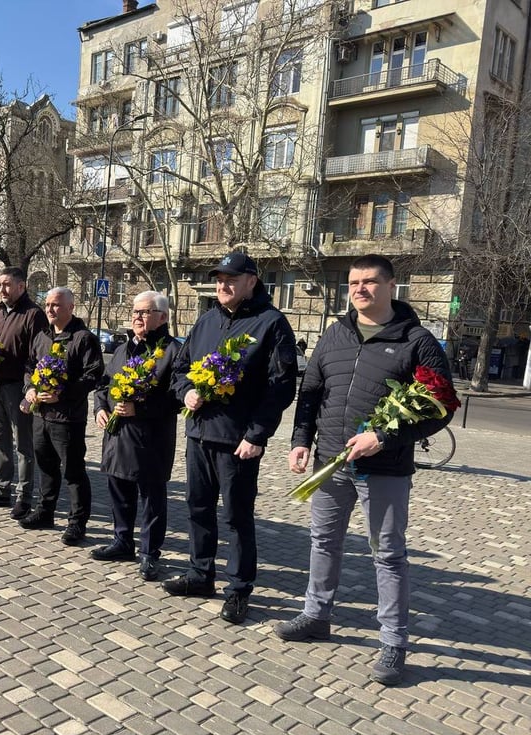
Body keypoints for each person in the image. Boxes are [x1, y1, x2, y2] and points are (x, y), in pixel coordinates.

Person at [277, 255, 454, 686]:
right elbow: (311, 392)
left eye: (370, 281)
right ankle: (316, 617)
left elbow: (443, 405)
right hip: (330, 464)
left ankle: (393, 643)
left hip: (386, 469)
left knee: (388, 555)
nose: (360, 289)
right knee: (324, 542)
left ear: (392, 285)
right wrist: (301, 440)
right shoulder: (335, 334)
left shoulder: (418, 341)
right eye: (354, 282)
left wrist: (385, 438)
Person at [165, 251, 298, 625]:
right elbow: (181, 369)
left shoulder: (271, 323)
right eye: (220, 279)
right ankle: (200, 574)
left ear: (251, 281)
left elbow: (280, 387)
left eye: (232, 279)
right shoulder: (207, 320)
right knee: (197, 508)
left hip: (238, 442)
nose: (223, 285)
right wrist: (186, 391)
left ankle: (239, 589)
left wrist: (257, 434)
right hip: (199, 434)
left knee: (237, 518)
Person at [92, 291, 181, 581]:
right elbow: (104, 385)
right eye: (135, 311)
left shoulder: (172, 351)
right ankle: (122, 541)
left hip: (151, 438)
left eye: (144, 312)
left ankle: (150, 553)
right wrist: (100, 408)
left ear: (163, 317)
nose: (137, 317)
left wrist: (139, 408)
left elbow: (175, 397)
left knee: (151, 499)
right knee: (119, 491)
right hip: (118, 437)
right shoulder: (123, 348)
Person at [20, 287, 104, 545]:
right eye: (47, 304)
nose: (50, 309)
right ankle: (45, 512)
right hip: (41, 416)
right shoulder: (41, 336)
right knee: (46, 467)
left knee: (73, 472)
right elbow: (29, 368)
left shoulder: (83, 338)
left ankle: (77, 523)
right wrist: (30, 389)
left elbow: (93, 376)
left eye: (56, 305)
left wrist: (63, 394)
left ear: (71, 307)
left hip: (67, 418)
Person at [0, 267, 48, 520]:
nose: (2, 290)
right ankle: (1, 489)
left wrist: (31, 390)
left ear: (21, 286)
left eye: (6, 285)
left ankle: (24, 496)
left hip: (19, 387)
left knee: (23, 444)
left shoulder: (33, 314)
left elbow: (38, 355)